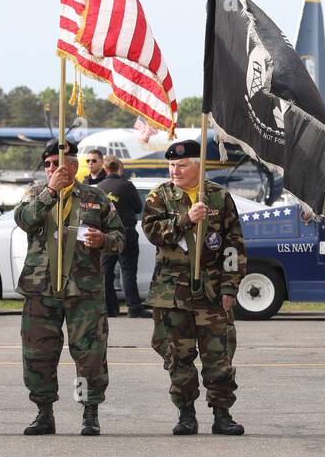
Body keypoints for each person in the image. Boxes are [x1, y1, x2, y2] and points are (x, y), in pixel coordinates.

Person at [13, 138, 124, 436]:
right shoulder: (35, 194)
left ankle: (90, 412)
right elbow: (23, 220)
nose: (52, 168)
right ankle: (43, 412)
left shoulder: (95, 197)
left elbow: (119, 237)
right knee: (39, 354)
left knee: (89, 354)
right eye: (47, 165)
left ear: (73, 165)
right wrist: (50, 192)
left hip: (83, 289)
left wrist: (103, 240)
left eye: (58, 164)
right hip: (41, 289)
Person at [140, 139, 246, 436]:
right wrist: (187, 219)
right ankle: (185, 413)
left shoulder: (218, 197)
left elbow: (233, 246)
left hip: (211, 292)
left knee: (218, 355)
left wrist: (230, 287)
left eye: (182, 165)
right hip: (172, 293)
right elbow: (152, 232)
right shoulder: (159, 196)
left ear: (198, 166)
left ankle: (222, 414)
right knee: (178, 356)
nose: (175, 170)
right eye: (172, 165)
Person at [97, 156, 147, 318]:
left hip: (107, 234)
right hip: (126, 232)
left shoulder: (99, 187)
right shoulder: (127, 185)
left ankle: (110, 308)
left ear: (105, 169)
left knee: (106, 273)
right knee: (128, 271)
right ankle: (134, 307)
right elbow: (139, 207)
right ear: (119, 167)